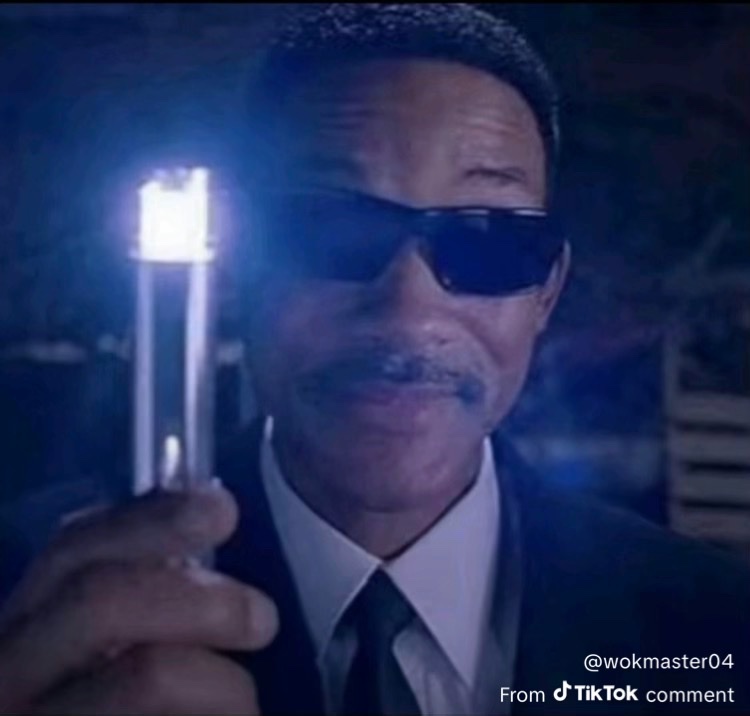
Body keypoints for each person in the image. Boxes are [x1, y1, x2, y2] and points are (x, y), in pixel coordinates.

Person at [0, 4, 748, 715]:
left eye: (487, 241)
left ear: (546, 292)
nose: (409, 310)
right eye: (330, 226)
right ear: (236, 270)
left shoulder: (712, 631)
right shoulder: (32, 599)